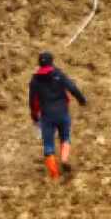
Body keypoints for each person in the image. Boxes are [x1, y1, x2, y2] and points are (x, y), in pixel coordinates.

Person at [28, 51, 87, 181]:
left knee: (48, 144)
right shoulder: (58, 74)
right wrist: (82, 100)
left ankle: (54, 175)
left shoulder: (35, 80)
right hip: (62, 112)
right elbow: (72, 87)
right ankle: (64, 159)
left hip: (47, 116)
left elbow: (32, 101)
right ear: (52, 61)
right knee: (65, 137)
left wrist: (34, 116)